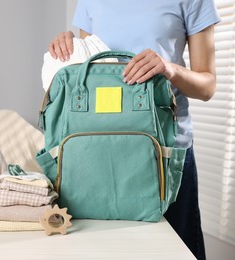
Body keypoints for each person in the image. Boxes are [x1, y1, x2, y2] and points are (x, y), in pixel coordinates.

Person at [48, 1, 220, 259]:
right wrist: (70, 49)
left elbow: (207, 86)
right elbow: (92, 70)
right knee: (104, 249)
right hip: (100, 147)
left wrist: (169, 69)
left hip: (165, 151)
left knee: (179, 250)